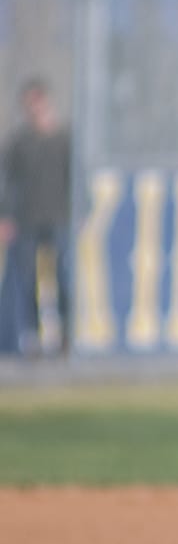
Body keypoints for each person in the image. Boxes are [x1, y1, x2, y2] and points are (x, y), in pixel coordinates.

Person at [0, 77, 72, 357]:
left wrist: (82, 211)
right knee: (27, 279)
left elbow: (74, 176)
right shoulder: (19, 143)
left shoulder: (64, 138)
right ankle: (31, 335)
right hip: (27, 219)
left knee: (63, 277)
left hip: (59, 217)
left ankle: (65, 334)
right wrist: (5, 216)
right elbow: (7, 181)